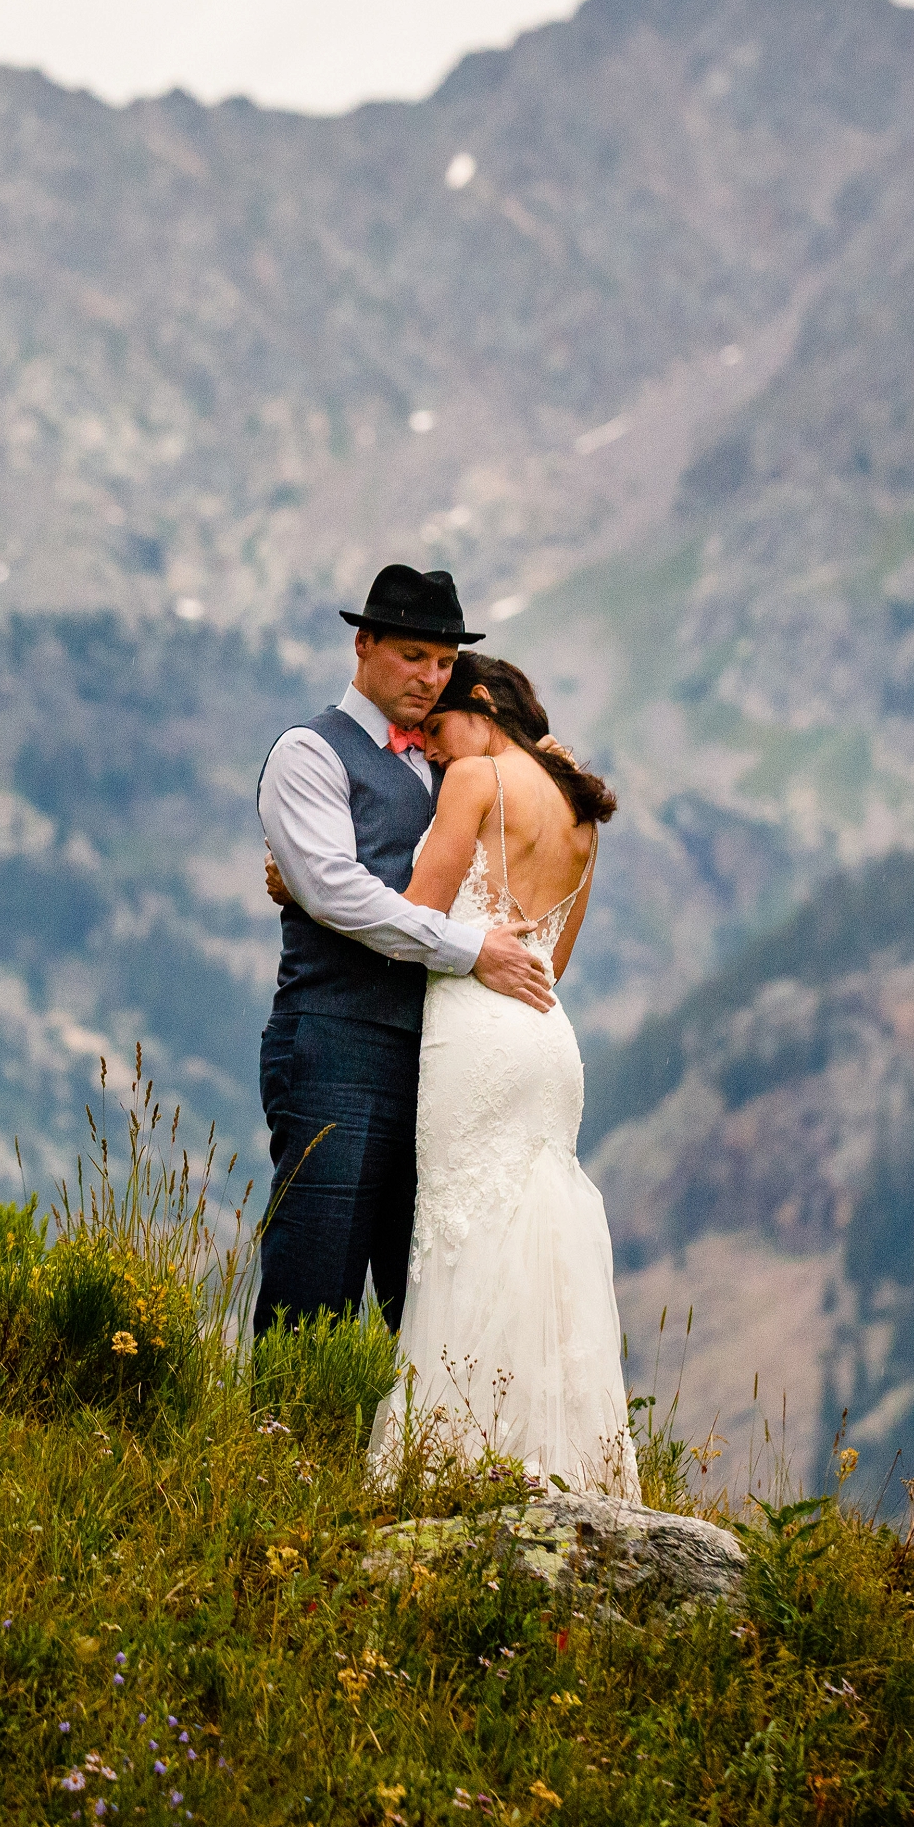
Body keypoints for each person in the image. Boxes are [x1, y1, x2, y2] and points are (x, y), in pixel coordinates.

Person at [252, 565, 560, 1340]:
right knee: (312, 1288)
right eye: (414, 655)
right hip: (334, 1045)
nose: (431, 677)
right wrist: (470, 950)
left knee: (418, 1305)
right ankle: (276, 1454)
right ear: (364, 643)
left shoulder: (453, 763)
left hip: (437, 1063)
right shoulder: (309, 752)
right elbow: (337, 893)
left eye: (446, 662)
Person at [366, 651, 633, 1496]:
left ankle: (448, 1464)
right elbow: (553, 962)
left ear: (479, 705)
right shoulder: (582, 818)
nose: (432, 750)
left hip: (476, 1036)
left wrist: (309, 892)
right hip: (549, 1041)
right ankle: (559, 1464)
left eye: (436, 729)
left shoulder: (477, 778)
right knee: (537, 1237)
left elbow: (416, 919)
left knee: (461, 1238)